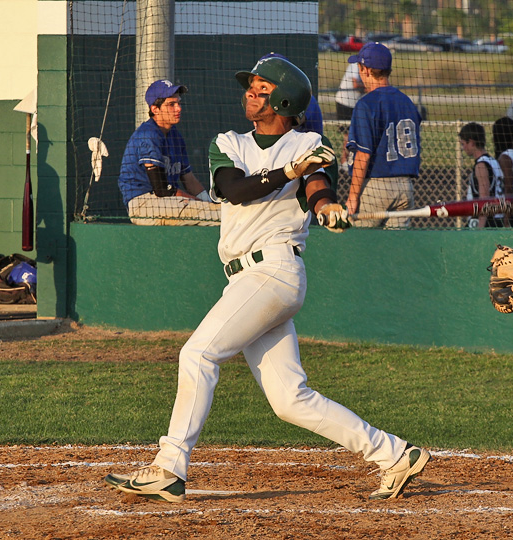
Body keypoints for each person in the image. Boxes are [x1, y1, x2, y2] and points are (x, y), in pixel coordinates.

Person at [104, 55, 430, 503]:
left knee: (197, 354)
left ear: (281, 99)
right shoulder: (231, 142)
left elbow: (317, 185)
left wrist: (325, 207)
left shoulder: (310, 143)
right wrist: (289, 172)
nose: (250, 95)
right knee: (290, 400)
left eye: (259, 89)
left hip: (274, 269)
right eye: (251, 88)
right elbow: (235, 189)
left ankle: (169, 466)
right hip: (248, 278)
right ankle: (394, 454)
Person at [118, 79, 220, 226]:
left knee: (219, 212)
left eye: (178, 103)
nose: (178, 108)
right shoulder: (148, 134)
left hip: (167, 201)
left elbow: (189, 179)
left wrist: (208, 201)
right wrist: (202, 204)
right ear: (155, 109)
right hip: (143, 204)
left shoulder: (175, 136)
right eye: (171, 104)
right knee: (216, 216)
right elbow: (161, 188)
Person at [345, 42, 422, 228]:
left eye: (360, 68)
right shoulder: (407, 102)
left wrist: (353, 196)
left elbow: (363, 155)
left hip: (376, 187)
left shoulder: (366, 104)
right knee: (394, 252)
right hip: (405, 187)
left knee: (359, 246)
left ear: (367, 70)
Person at [458, 122, 505, 228]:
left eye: (463, 144)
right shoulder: (493, 161)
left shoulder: (481, 166)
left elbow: (484, 199)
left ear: (471, 142)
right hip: (498, 218)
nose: (463, 148)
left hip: (487, 222)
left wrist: (480, 230)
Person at [335, 62, 365, 172]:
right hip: (345, 102)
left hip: (354, 103)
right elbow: (356, 85)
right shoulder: (355, 65)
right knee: (348, 134)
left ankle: (347, 161)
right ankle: (344, 162)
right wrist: (369, 87)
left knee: (354, 133)